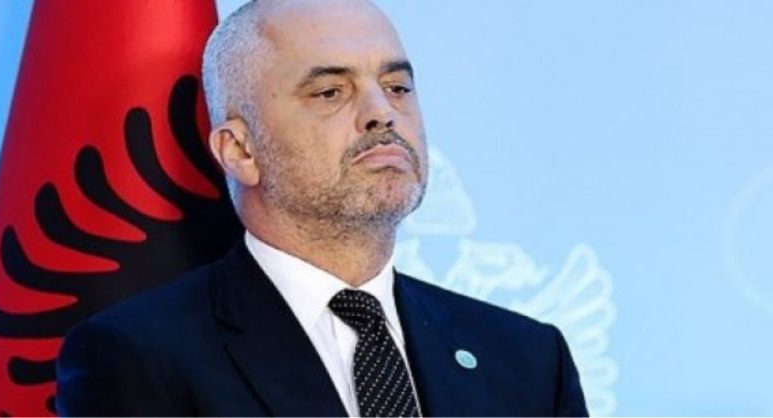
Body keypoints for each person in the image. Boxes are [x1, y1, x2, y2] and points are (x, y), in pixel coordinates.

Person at [56, 0, 589, 416]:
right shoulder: (138, 357)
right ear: (240, 151)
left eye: (397, 86)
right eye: (331, 92)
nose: (382, 113)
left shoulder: (528, 358)